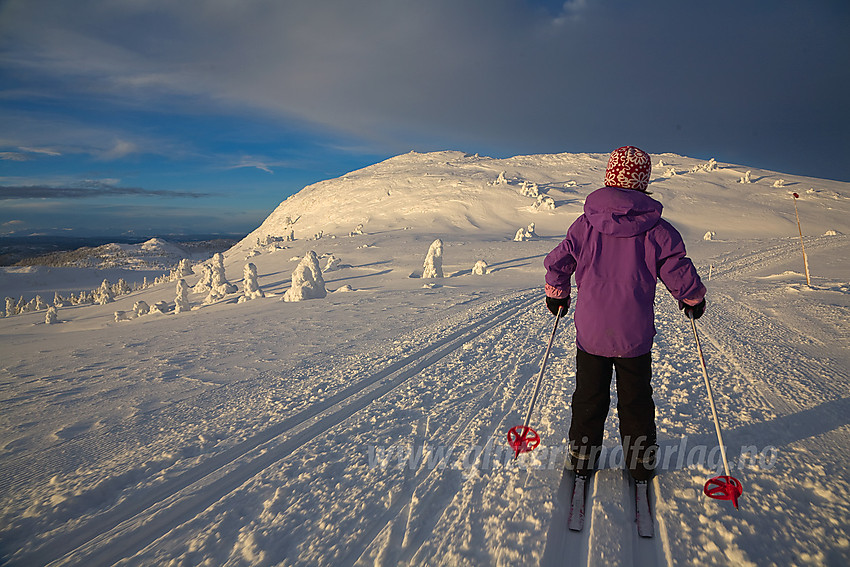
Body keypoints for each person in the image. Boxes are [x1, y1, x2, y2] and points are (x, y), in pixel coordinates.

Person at [543, 145, 706, 482]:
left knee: (589, 397)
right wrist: (691, 298)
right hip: (634, 336)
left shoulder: (585, 225)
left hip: (592, 333)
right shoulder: (658, 230)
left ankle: (582, 458)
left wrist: (557, 293)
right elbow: (676, 267)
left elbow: (559, 261)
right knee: (635, 401)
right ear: (643, 182)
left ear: (609, 176)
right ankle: (641, 463)